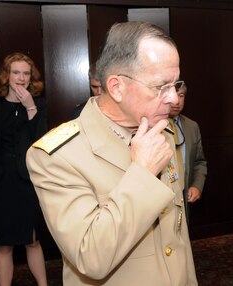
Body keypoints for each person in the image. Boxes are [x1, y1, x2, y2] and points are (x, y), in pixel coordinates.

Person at [26, 22, 197, 286]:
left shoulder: (162, 133)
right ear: (116, 87)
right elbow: (90, 256)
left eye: (176, 84)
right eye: (161, 86)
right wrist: (142, 173)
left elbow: (177, 239)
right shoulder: (57, 156)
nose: (174, 98)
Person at [0, 52, 48, 286]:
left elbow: (43, 144)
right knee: (4, 244)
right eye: (15, 72)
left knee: (32, 240)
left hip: (26, 181)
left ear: (31, 77)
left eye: (26, 73)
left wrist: (30, 107)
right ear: (6, 76)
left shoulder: (39, 106)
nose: (21, 77)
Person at [169, 82, 207, 225]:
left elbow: (200, 162)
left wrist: (197, 185)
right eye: (173, 95)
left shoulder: (192, 126)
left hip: (184, 199)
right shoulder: (151, 126)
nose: (177, 101)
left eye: (181, 95)